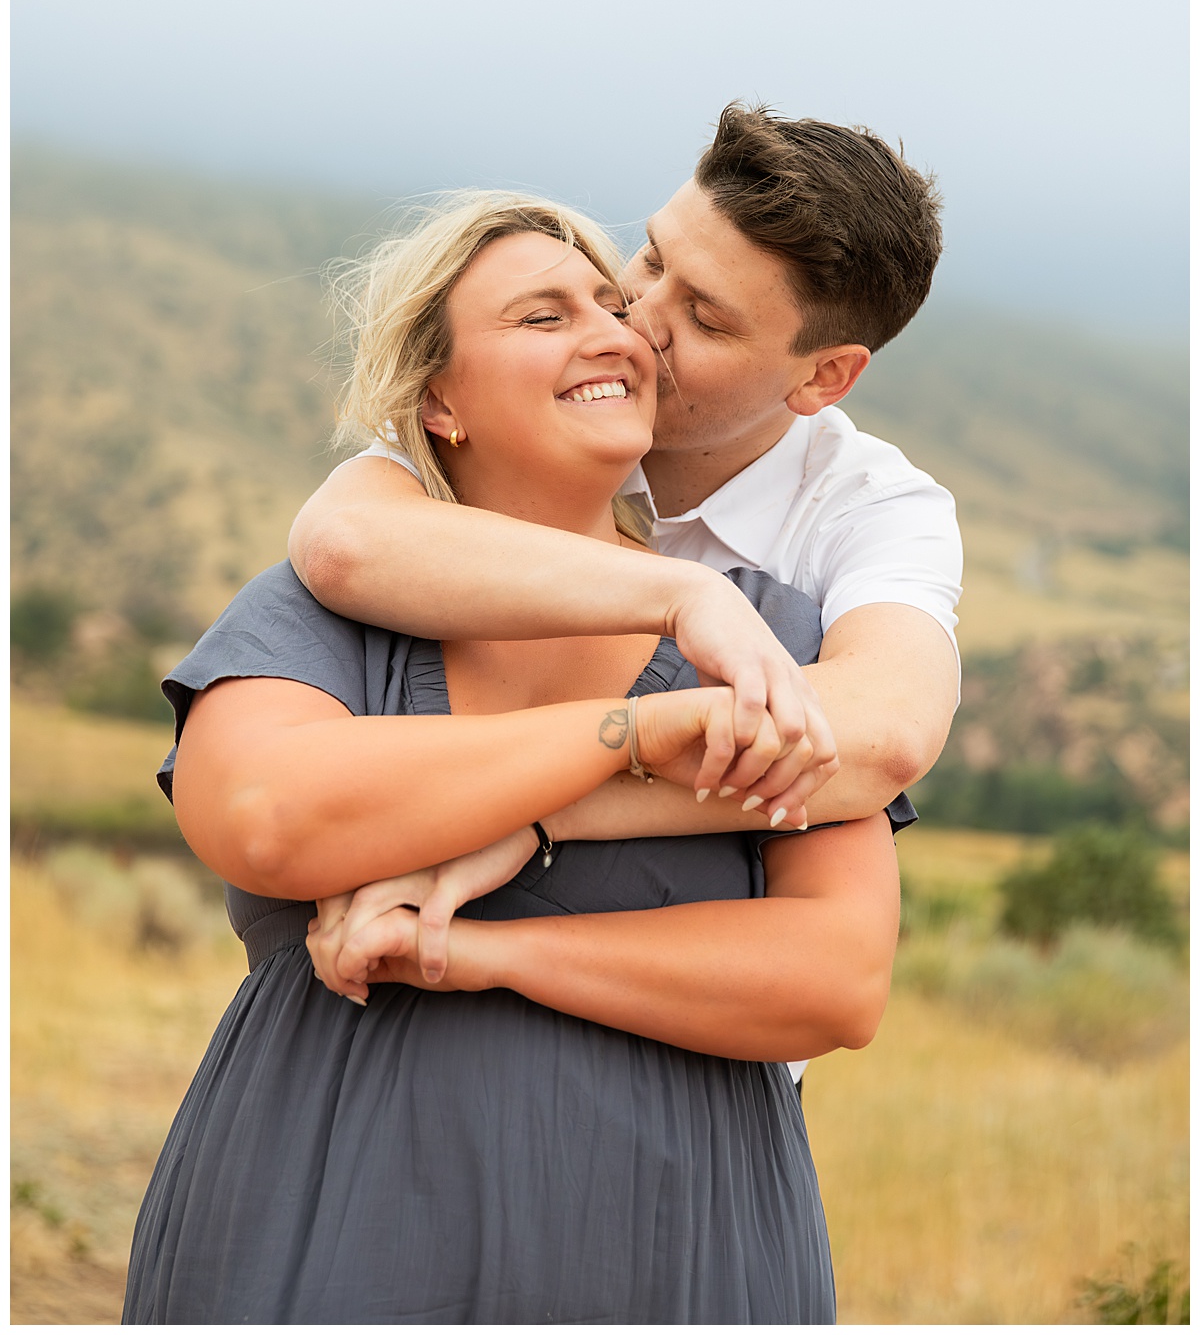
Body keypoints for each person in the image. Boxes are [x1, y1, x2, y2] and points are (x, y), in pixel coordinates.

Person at [123, 193, 903, 1325]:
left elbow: (836, 976)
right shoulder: (323, 608)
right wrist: (632, 733)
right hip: (320, 1225)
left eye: (608, 301)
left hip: (676, 1255)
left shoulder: (778, 632)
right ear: (438, 398)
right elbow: (263, 815)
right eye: (544, 314)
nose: (611, 331)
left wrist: (490, 955)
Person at [289, 104, 963, 1056]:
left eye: (705, 317)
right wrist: (687, 597)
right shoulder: (544, 406)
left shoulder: (870, 511)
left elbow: (882, 738)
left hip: (690, 1089)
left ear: (823, 380)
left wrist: (533, 812)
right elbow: (347, 544)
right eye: (651, 260)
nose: (635, 322)